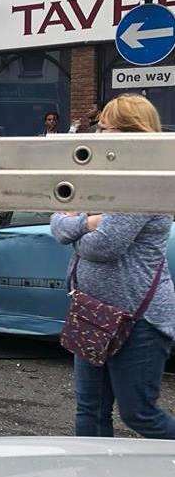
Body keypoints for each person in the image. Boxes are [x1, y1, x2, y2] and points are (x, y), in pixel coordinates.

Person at [50, 94, 175, 439]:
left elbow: (106, 246)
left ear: (129, 133)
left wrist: (80, 225)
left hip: (140, 320)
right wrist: (89, 222)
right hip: (93, 314)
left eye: (105, 128)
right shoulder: (99, 177)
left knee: (139, 414)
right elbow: (56, 220)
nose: (98, 134)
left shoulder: (143, 183)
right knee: (89, 410)